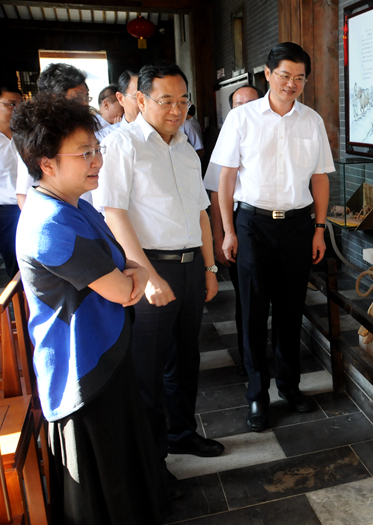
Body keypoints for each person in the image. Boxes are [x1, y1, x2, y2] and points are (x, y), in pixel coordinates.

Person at [11, 93, 163, 524]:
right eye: (85, 153)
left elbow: (124, 265)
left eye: (97, 150)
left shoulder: (74, 205)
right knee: (105, 483)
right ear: (46, 163)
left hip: (103, 350)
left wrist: (129, 272)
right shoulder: (51, 224)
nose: (97, 160)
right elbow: (123, 287)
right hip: (81, 369)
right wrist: (132, 275)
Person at [94, 63, 223, 486]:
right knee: (147, 369)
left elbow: (201, 212)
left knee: (186, 358)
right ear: (141, 100)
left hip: (189, 267)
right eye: (165, 100)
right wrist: (147, 275)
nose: (176, 109)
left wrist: (208, 267)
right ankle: (152, 461)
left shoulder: (185, 146)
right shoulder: (123, 145)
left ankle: (183, 433)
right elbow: (113, 214)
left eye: (182, 100)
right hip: (148, 266)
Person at [210, 43, 334, 432]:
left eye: (299, 78)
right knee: (251, 311)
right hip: (252, 224)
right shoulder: (242, 118)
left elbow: (319, 178)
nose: (292, 84)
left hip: (298, 225)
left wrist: (318, 228)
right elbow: (225, 178)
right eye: (285, 75)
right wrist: (228, 231)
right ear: (267, 74)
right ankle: (257, 394)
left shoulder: (311, 121)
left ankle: (290, 386)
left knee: (290, 308)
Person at [203, 85, 262, 377]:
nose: (245, 109)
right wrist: (219, 237)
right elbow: (216, 194)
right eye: (238, 105)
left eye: (251, 103)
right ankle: (249, 361)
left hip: (271, 225)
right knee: (247, 300)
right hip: (239, 222)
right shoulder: (228, 137)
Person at [16, 63, 91, 209]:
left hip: (85, 214)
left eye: (86, 97)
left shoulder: (88, 132)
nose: (85, 104)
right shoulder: (38, 138)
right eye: (78, 97)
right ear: (54, 98)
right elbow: (23, 194)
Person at [0, 80, 22, 278]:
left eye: (20, 104)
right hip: (4, 210)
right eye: (11, 104)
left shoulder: (23, 135)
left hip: (25, 205)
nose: (16, 109)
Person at [96, 69, 140, 142]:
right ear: (121, 98)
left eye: (148, 97)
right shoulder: (104, 137)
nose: (144, 103)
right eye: (137, 97)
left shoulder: (161, 132)